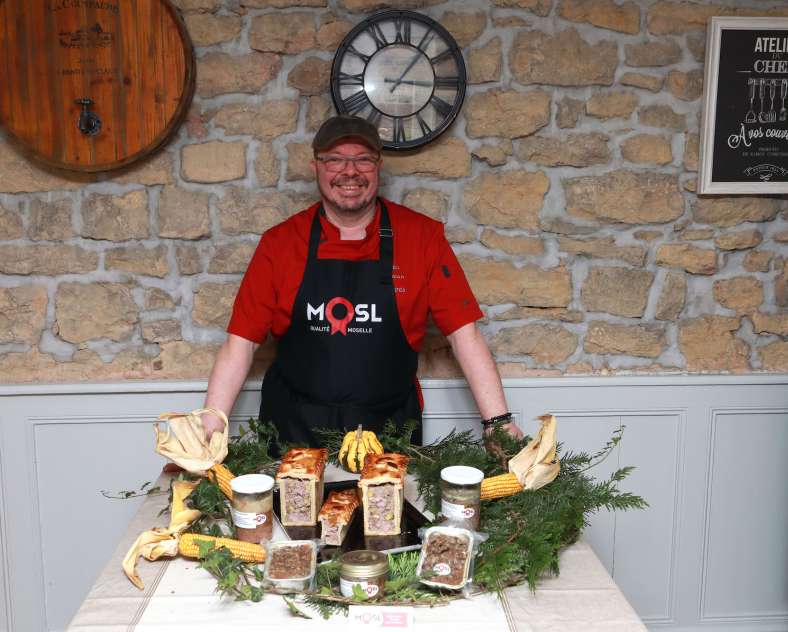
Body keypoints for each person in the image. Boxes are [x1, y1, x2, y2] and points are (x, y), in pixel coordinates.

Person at [200, 115, 522, 447]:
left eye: (363, 159)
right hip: (293, 431)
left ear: (378, 166)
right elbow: (240, 345)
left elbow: (464, 335)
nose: (349, 171)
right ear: (316, 166)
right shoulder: (280, 243)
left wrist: (498, 422)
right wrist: (209, 430)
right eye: (335, 159)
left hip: (389, 431)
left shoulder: (421, 237)